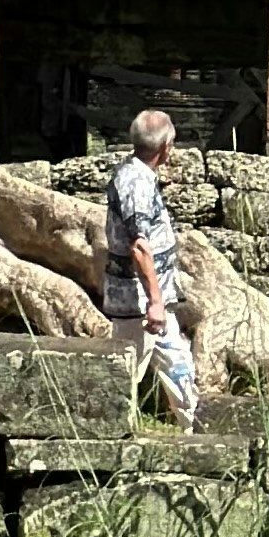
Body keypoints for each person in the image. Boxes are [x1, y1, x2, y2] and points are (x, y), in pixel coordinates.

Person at [103, 105, 199, 427]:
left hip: (154, 302)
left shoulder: (139, 176)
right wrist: (155, 302)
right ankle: (111, 432)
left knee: (179, 365)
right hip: (139, 304)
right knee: (126, 374)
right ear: (165, 147)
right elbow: (140, 246)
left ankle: (194, 430)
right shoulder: (136, 184)